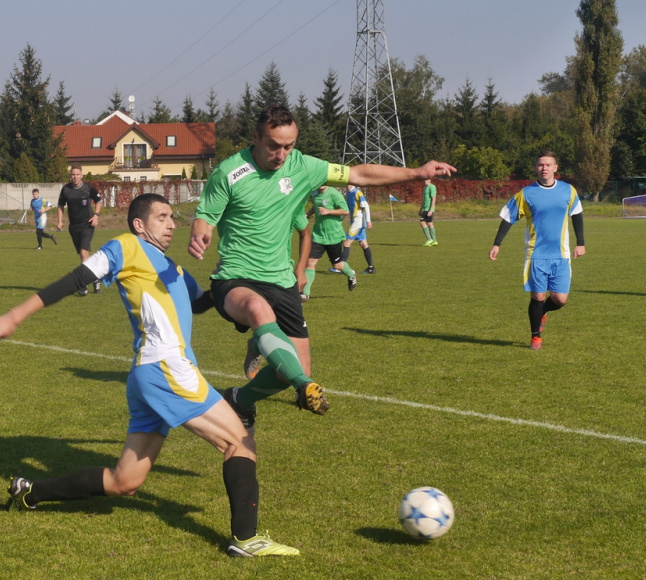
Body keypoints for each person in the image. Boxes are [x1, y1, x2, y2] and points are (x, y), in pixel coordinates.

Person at [0, 193, 299, 558]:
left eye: (173, 217)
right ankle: (246, 540)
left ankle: (29, 491)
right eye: (163, 217)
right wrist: (15, 316)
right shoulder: (126, 246)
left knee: (125, 481)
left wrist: (230, 281)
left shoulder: (173, 268)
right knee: (239, 442)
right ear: (139, 224)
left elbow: (202, 303)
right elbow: (75, 279)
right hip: (166, 368)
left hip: (149, 375)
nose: (172, 224)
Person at [189, 105, 454, 427]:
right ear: (256, 137)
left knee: (297, 366)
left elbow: (358, 174)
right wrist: (200, 234)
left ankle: (240, 400)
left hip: (281, 280)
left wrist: (416, 172)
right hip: (236, 277)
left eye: (289, 146)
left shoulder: (304, 166)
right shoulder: (229, 172)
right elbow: (206, 216)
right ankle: (300, 383)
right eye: (273, 145)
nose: (281, 154)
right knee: (260, 311)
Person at [489, 151, 585, 350]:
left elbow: (577, 214)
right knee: (538, 297)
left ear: (555, 168)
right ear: (536, 168)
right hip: (536, 255)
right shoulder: (527, 193)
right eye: (541, 165)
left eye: (548, 165)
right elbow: (508, 217)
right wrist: (497, 243)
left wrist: (581, 242)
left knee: (560, 299)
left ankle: (542, 312)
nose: (544, 168)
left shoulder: (568, 190)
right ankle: (535, 337)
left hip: (561, 255)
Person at [301, 185, 356, 301]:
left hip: (333, 236)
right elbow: (316, 207)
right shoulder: (315, 193)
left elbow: (345, 210)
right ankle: (305, 293)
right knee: (310, 262)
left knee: (336, 265)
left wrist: (328, 211)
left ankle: (351, 274)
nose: (322, 183)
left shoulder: (334, 194)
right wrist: (307, 214)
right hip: (318, 235)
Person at [56, 166, 103, 295]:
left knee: (83, 253)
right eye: (73, 174)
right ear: (70, 175)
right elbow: (60, 205)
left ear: (81, 175)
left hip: (87, 224)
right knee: (84, 255)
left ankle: (84, 284)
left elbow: (98, 200)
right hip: (74, 227)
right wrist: (60, 221)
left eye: (77, 174)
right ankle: (96, 276)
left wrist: (96, 215)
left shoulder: (88, 188)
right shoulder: (66, 189)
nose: (75, 177)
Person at [342, 184, 375, 274]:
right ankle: (371, 267)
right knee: (363, 244)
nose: (348, 185)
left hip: (358, 221)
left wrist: (368, 221)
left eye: (350, 182)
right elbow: (347, 208)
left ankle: (341, 267)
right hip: (355, 221)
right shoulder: (348, 193)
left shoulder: (357, 192)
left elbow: (366, 206)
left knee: (346, 242)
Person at [421, 178, 438, 246]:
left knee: (422, 222)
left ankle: (429, 239)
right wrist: (421, 209)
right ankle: (434, 241)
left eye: (426, 180)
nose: (425, 181)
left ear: (430, 180)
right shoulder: (425, 188)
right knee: (430, 223)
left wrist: (431, 210)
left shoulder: (432, 187)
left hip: (428, 208)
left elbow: (434, 199)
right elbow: (425, 199)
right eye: (424, 180)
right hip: (425, 208)